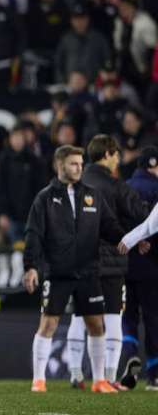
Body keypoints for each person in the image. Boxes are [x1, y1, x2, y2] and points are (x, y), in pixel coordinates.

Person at [23, 145, 126, 394]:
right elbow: (33, 235)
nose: (80, 168)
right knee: (48, 325)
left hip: (89, 272)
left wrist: (131, 240)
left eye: (81, 163)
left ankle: (99, 380)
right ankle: (39, 379)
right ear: (60, 166)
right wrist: (31, 267)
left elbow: (110, 227)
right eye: (74, 164)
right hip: (57, 273)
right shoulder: (45, 198)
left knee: (96, 326)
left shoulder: (93, 195)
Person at [65, 135, 150, 390]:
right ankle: (109, 377)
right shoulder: (115, 186)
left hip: (79, 261)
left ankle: (76, 373)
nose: (119, 160)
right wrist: (138, 237)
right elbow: (141, 213)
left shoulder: (77, 183)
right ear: (108, 154)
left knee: (79, 318)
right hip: (112, 261)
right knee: (112, 317)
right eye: (116, 155)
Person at [120, 147, 158, 389]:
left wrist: (127, 242)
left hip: (124, 263)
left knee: (128, 315)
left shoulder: (122, 187)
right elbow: (152, 225)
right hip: (152, 265)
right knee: (153, 319)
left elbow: (113, 221)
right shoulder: (156, 189)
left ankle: (130, 351)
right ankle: (154, 373)